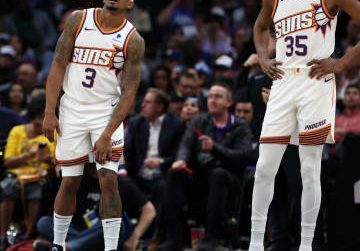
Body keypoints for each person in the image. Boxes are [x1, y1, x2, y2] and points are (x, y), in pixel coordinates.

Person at [248, 0, 360, 251]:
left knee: (309, 168)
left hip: (314, 83)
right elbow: (259, 27)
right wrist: (262, 56)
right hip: (283, 82)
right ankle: (256, 244)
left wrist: (340, 62)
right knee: (264, 167)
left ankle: (307, 245)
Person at [42, 0, 145, 251]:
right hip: (72, 109)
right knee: (70, 180)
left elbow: (129, 92)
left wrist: (107, 133)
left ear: (130, 4)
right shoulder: (78, 19)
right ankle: (58, 244)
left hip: (105, 112)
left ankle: (111, 248)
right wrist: (49, 111)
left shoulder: (133, 40)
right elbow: (58, 65)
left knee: (109, 179)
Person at [158, 82, 256, 251]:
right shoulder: (199, 120)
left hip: (229, 180)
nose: (212, 100)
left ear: (228, 102)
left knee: (218, 174)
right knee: (174, 173)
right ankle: (173, 237)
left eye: (218, 96)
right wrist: (181, 160)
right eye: (210, 96)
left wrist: (215, 149)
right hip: (201, 177)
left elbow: (244, 156)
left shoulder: (240, 126)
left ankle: (211, 237)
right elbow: (186, 145)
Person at [34, 163, 156, 251]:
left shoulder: (121, 182)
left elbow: (149, 210)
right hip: (81, 231)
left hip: (106, 235)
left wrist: (134, 238)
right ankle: (79, 246)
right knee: (44, 222)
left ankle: (69, 247)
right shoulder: (79, 180)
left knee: (117, 223)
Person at [123, 88, 185, 239]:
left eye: (147, 102)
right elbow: (127, 151)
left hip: (162, 176)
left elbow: (179, 156)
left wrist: (160, 162)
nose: (142, 105)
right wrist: (123, 169)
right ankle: (122, 235)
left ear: (159, 106)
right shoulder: (136, 123)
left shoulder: (177, 124)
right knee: (121, 182)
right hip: (138, 175)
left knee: (163, 187)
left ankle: (155, 237)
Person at [0, 93, 55, 250]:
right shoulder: (17, 131)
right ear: (34, 116)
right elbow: (7, 162)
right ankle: (3, 235)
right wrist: (27, 155)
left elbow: (55, 168)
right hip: (17, 175)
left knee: (36, 191)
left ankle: (28, 235)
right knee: (8, 187)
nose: (42, 125)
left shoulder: (53, 134)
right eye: (40, 118)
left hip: (40, 177)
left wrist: (48, 161)